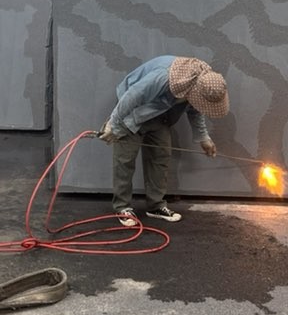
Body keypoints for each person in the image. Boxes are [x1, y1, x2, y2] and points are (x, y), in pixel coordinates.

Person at [98, 56, 229, 226]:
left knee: (160, 157)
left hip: (159, 114)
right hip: (129, 109)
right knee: (125, 160)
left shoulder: (200, 84)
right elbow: (132, 96)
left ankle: (156, 206)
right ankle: (122, 207)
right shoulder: (163, 77)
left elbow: (196, 108)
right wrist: (113, 123)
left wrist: (203, 137)